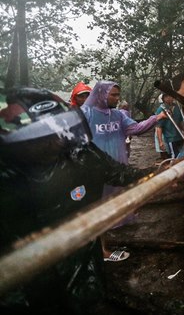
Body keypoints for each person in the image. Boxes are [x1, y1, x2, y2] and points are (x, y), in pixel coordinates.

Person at [0, 87, 150, 313]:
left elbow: (118, 173)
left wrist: (158, 172)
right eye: (39, 135)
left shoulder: (80, 153)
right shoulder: (6, 179)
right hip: (30, 288)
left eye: (58, 128)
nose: (55, 140)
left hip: (85, 269)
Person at [81, 81, 166, 260]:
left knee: (117, 196)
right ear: (101, 95)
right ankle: (100, 248)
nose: (117, 98)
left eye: (118, 95)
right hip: (96, 167)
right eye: (113, 95)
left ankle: (111, 233)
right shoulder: (86, 114)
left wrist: (154, 119)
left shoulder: (119, 115)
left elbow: (135, 128)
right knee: (97, 203)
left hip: (118, 165)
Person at [155, 94, 184, 159]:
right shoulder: (161, 110)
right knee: (175, 156)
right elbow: (159, 127)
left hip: (180, 136)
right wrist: (160, 142)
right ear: (163, 98)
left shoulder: (176, 107)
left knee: (183, 154)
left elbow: (180, 121)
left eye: (170, 95)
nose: (169, 98)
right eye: (167, 96)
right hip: (170, 138)